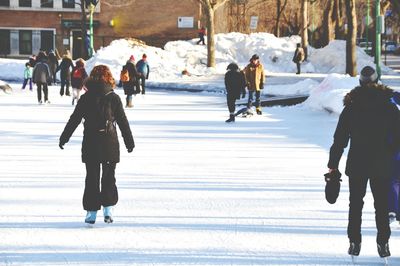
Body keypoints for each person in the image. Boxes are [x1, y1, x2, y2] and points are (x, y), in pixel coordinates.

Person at [327, 66, 400, 259]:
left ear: (360, 82)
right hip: (381, 163)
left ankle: (354, 242)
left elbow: (340, 139)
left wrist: (332, 165)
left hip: (357, 163)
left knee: (355, 204)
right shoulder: (389, 106)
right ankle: (383, 243)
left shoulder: (351, 107)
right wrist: (390, 151)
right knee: (382, 205)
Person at [59, 65, 135, 225]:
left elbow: (75, 119)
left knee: (92, 177)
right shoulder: (114, 98)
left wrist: (64, 137)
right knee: (108, 177)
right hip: (109, 142)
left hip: (91, 142)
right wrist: (129, 141)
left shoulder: (85, 98)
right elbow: (122, 121)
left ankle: (91, 212)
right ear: (109, 78)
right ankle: (108, 209)